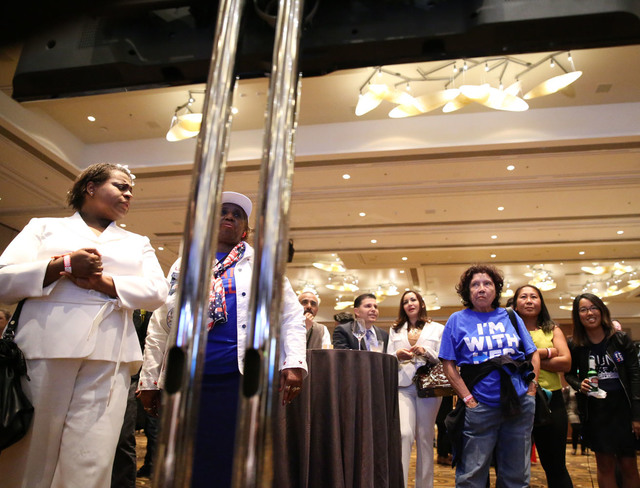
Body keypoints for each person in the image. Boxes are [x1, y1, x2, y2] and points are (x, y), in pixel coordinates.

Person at [0, 163, 169, 488]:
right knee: (32, 451)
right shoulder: (44, 227)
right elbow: (3, 280)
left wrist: (104, 283)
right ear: (90, 187)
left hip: (110, 355)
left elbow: (157, 292)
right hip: (45, 348)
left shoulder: (137, 242)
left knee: (92, 455)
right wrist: (62, 265)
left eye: (131, 190)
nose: (128, 194)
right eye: (120, 186)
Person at [138, 191, 307, 488]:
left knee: (239, 455)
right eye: (222, 211)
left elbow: (291, 317)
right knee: (189, 455)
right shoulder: (185, 265)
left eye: (237, 214)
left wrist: (293, 363)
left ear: (244, 230)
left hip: (240, 378)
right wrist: (149, 379)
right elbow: (160, 324)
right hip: (189, 377)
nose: (229, 216)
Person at [439, 264, 539, 488]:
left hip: (519, 402)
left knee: (516, 476)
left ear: (496, 289)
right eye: (475, 285)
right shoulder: (457, 320)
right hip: (480, 405)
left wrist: (531, 389)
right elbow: (448, 364)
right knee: (471, 476)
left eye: (487, 284)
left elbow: (532, 353)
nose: (481, 288)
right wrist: (468, 399)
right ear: (467, 291)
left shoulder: (510, 316)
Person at [565, 293, 640, 488]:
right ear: (578, 315)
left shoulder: (620, 339)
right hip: (596, 412)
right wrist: (579, 384)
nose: (589, 313)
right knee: (605, 465)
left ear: (601, 310)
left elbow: (635, 376)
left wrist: (637, 416)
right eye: (583, 310)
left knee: (628, 464)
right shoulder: (575, 345)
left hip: (623, 409)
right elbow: (569, 374)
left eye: (593, 308)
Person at [512, 284, 573, 488]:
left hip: (550, 401)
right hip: (517, 400)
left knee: (555, 466)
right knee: (513, 467)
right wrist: (546, 353)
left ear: (541, 302)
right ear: (515, 304)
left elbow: (566, 363)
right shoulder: (508, 331)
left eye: (534, 297)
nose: (529, 301)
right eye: (524, 297)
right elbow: (506, 360)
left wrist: (529, 359)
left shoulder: (552, 329)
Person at [387, 290, 444, 488]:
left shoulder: (437, 328)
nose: (410, 303)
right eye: (405, 301)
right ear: (402, 307)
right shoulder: (395, 330)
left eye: (413, 300)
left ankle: (425, 485)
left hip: (429, 387)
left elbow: (443, 357)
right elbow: (387, 357)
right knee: (404, 434)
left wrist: (426, 351)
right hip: (402, 386)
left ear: (421, 303)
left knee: (425, 437)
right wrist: (397, 354)